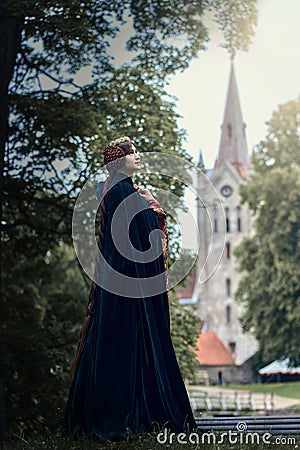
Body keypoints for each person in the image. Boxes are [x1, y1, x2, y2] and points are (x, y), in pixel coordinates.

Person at [62, 136, 196, 440]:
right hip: (128, 283)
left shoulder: (117, 191)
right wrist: (155, 214)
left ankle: (105, 414)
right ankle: (130, 415)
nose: (138, 156)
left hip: (118, 283)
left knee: (113, 341)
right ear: (119, 160)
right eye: (131, 153)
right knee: (127, 343)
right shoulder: (123, 192)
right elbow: (134, 241)